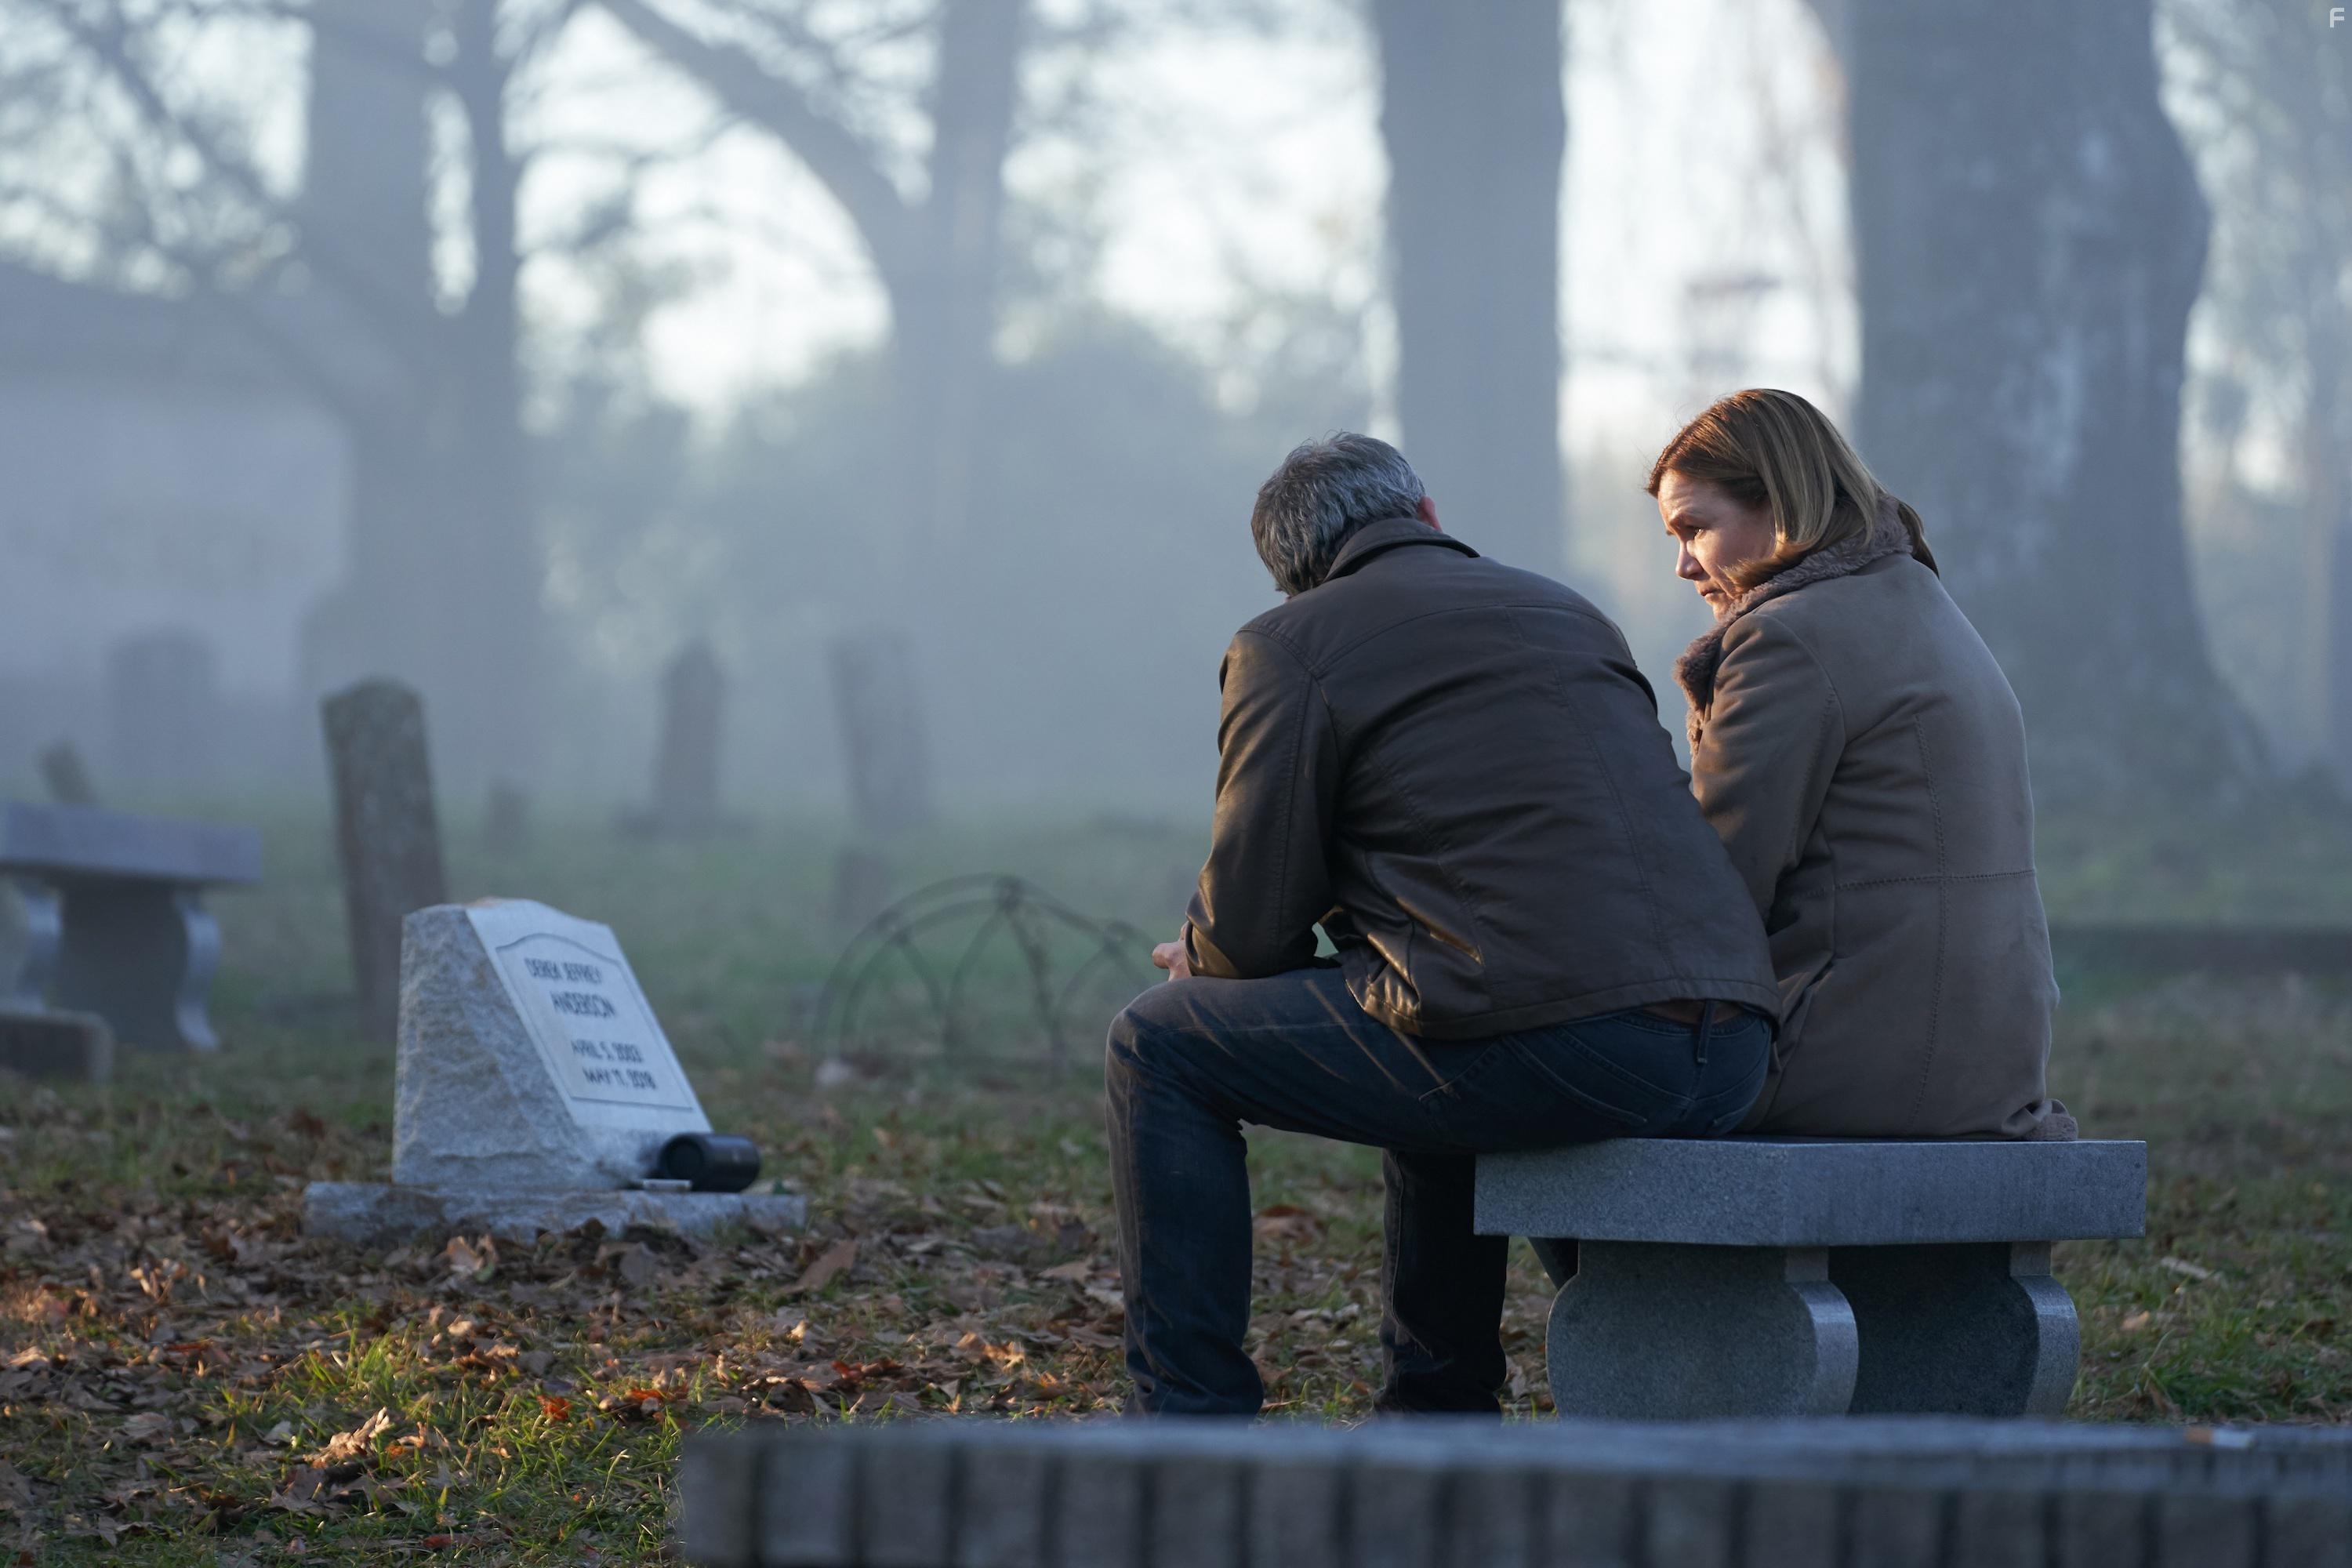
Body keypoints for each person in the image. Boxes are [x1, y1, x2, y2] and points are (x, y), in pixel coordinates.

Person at [1105, 433, 1781, 1417]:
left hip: (1567, 1039)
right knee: (1424, 1005)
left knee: (1157, 1045)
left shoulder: (1288, 644)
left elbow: (1251, 924)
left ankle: (1186, 1416)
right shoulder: (1568, 613)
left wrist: (1197, 962)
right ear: (1425, 515)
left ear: (1295, 574)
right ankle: (1433, 1403)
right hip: (1730, 1039)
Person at [1650, 389, 2071, 1141]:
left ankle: (1625, 1269)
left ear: (1782, 504)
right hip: (1993, 1059)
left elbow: (1714, 891)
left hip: (1855, 1051)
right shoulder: (1923, 599)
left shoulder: (1787, 638)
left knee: (1547, 1078)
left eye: (1696, 528)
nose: (1682, 565)